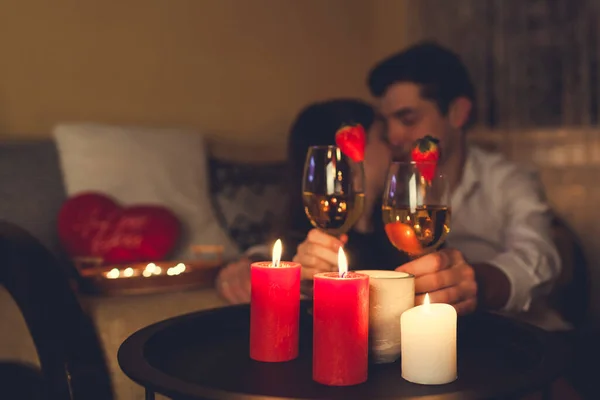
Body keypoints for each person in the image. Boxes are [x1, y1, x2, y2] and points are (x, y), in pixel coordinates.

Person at [293, 41, 567, 330]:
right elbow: (312, 226)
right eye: (387, 124)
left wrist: (479, 284)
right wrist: (263, 260)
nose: (395, 136)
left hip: (517, 334)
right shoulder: (388, 186)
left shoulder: (506, 180)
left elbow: (540, 257)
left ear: (458, 113)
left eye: (408, 118)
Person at [215, 98, 378, 305]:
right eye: (382, 137)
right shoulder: (314, 229)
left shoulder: (389, 225)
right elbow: (283, 250)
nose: (395, 141)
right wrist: (254, 262)